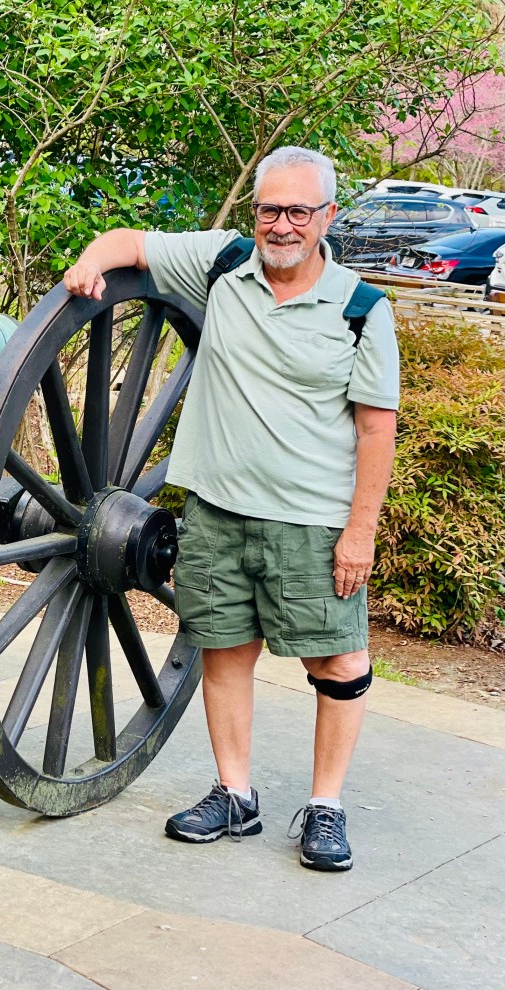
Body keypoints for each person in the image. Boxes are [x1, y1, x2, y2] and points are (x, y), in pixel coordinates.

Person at [62, 146, 399, 872]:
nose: (282, 225)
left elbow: (377, 430)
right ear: (256, 213)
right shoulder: (225, 267)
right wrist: (91, 261)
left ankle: (327, 807)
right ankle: (234, 794)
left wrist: (360, 533)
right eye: (270, 209)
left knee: (338, 659)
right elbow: (130, 244)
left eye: (298, 211)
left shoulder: (361, 311)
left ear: (326, 216)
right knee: (223, 649)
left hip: (310, 519)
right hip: (217, 510)